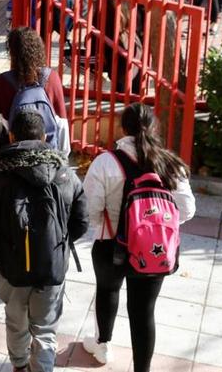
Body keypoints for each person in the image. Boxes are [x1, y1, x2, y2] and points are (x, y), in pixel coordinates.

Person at [82, 103, 195, 372]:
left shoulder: (106, 162)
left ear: (123, 128)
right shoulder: (169, 164)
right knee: (143, 311)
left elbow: (90, 208)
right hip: (153, 249)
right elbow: (187, 209)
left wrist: (110, 225)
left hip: (111, 244)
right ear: (154, 127)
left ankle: (102, 346)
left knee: (107, 290)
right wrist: (154, 225)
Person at [0, 110, 88, 372]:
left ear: (11, 137)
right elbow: (81, 223)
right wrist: (57, 244)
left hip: (11, 270)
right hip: (52, 268)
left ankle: (19, 365)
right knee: (45, 329)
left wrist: (4, 246)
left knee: (16, 322)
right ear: (46, 136)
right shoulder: (65, 176)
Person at [0, 27, 68, 175]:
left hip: (11, 162)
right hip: (47, 161)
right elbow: (61, 124)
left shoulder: (4, 82)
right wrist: (62, 159)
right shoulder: (52, 78)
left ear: (12, 53)